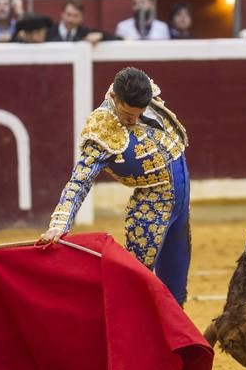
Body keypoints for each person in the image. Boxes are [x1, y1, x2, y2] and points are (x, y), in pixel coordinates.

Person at [39, 65, 193, 309]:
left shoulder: (144, 94)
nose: (133, 120)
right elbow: (79, 182)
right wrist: (59, 225)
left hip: (181, 197)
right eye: (126, 114)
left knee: (177, 272)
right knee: (136, 280)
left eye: (138, 113)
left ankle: (175, 336)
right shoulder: (101, 130)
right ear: (113, 97)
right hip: (151, 205)